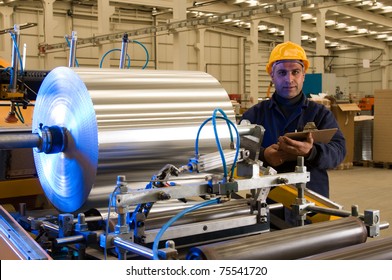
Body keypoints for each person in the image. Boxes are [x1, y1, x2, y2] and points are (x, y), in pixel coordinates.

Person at [241, 41, 346, 198]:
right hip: (268, 201)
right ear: (272, 76)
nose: (289, 79)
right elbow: (237, 153)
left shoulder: (320, 114)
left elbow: (339, 151)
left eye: (295, 72)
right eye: (282, 73)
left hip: (312, 200)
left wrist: (312, 152)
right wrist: (263, 156)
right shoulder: (254, 115)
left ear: (303, 75)